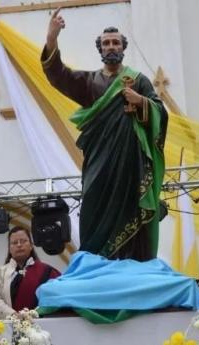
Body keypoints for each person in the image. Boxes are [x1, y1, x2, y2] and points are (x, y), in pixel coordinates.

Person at [42, 8, 168, 262]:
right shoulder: (90, 82)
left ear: (123, 47)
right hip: (99, 160)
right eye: (106, 43)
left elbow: (160, 115)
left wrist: (141, 101)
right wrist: (52, 39)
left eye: (116, 42)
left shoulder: (138, 80)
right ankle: (97, 260)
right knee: (93, 204)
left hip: (130, 161)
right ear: (100, 49)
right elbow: (60, 76)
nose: (111, 47)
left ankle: (134, 262)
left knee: (130, 206)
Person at [0, 227, 61, 319]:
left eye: (23, 241)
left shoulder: (46, 271)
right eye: (14, 242)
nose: (19, 245)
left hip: (41, 324)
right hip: (8, 326)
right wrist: (14, 315)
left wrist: (34, 315)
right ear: (9, 249)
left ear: (31, 246)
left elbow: (55, 298)